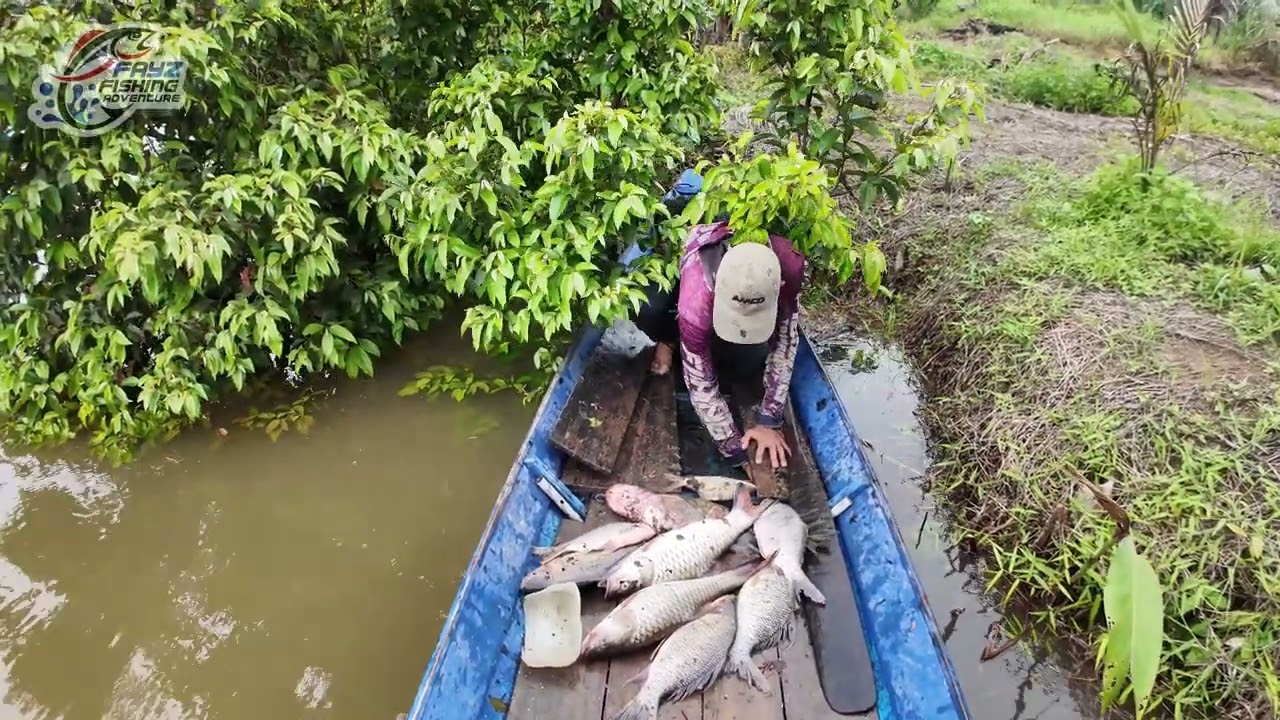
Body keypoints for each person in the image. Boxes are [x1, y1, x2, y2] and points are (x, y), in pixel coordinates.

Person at [633, 220, 805, 473]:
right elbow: (701, 388)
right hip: (680, 269)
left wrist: (769, 420)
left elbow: (786, 343)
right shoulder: (696, 294)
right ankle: (669, 339)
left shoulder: (790, 265)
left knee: (746, 364)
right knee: (648, 307)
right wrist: (735, 451)